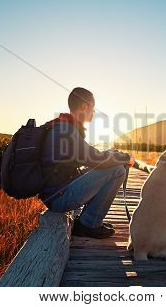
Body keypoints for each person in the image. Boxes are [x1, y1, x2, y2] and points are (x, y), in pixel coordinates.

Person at [39, 87, 135, 239]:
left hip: (56, 192)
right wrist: (125, 158)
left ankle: (87, 220)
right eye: (93, 108)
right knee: (117, 169)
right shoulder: (66, 131)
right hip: (59, 198)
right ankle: (89, 223)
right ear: (84, 106)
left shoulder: (63, 126)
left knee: (112, 164)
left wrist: (113, 154)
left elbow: (91, 156)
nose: (94, 112)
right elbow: (96, 159)